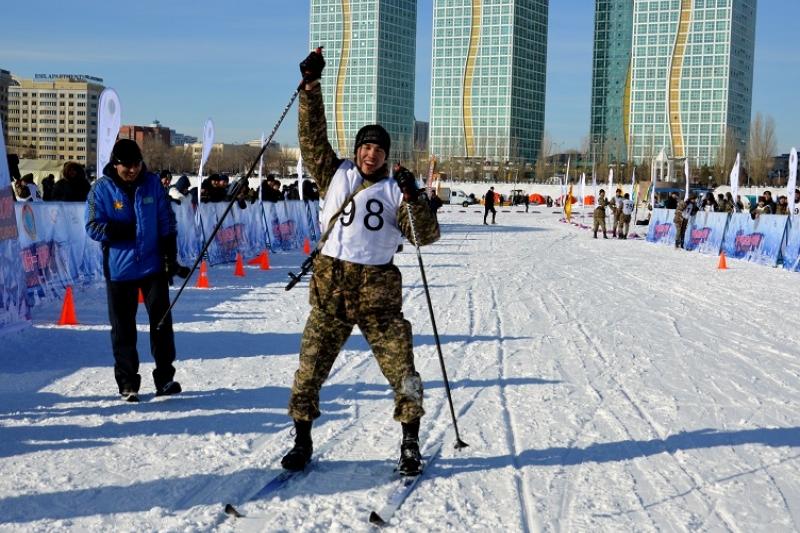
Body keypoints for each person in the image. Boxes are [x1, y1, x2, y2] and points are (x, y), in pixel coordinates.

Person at [281, 49, 440, 477]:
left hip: (377, 297)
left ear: (388, 155)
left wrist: (416, 197)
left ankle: (409, 443)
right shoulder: (335, 173)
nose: (371, 154)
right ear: (357, 149)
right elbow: (313, 136)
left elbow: (425, 235)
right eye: (365, 146)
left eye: (379, 149)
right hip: (331, 291)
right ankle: (302, 441)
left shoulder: (395, 190)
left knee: (402, 372)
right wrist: (310, 87)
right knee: (308, 371)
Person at [85, 139, 189, 402]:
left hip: (153, 266)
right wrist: (122, 231)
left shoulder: (152, 183)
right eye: (126, 165)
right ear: (115, 164)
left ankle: (165, 378)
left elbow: (166, 221)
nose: (132, 170)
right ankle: (128, 383)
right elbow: (92, 226)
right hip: (120, 270)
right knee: (123, 328)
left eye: (136, 164)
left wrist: (171, 257)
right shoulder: (101, 188)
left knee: (162, 325)